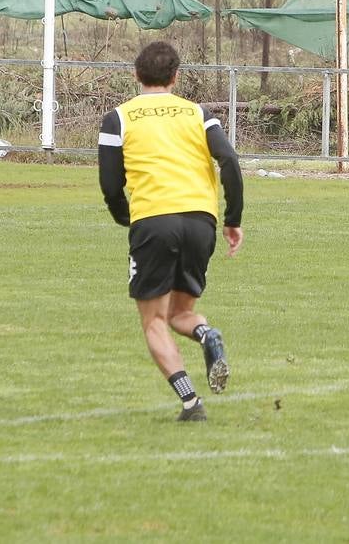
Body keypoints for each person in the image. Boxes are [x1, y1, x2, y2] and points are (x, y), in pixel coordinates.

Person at [98, 41, 244, 422]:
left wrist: (125, 217)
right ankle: (208, 334)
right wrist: (232, 218)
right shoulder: (198, 113)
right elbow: (228, 158)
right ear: (176, 76)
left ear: (136, 74)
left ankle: (190, 401)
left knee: (153, 321)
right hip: (200, 221)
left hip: (154, 221)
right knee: (182, 312)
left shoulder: (119, 117)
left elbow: (110, 183)